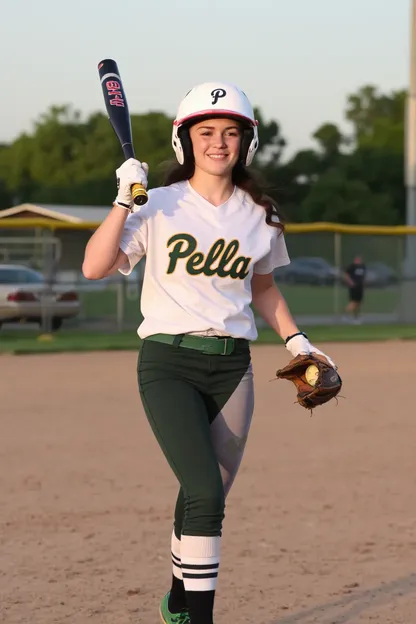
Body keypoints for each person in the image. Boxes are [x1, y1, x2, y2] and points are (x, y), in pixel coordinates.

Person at [82, 81, 337, 624]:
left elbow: (263, 288)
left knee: (207, 491)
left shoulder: (260, 213)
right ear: (185, 141)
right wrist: (123, 200)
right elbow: (94, 267)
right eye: (206, 132)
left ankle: (176, 598)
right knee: (204, 490)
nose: (218, 142)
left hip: (232, 367)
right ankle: (198, 617)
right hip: (168, 363)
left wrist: (298, 340)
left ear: (247, 142)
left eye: (230, 132)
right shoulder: (157, 205)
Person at [343, 255, 366, 324]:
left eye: (359, 260)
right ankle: (345, 315)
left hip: (360, 287)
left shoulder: (363, 267)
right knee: (353, 302)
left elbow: (363, 277)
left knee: (358, 303)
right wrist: (350, 282)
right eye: (356, 259)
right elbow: (346, 275)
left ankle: (356, 317)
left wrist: (364, 284)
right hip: (354, 287)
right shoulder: (352, 267)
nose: (358, 261)